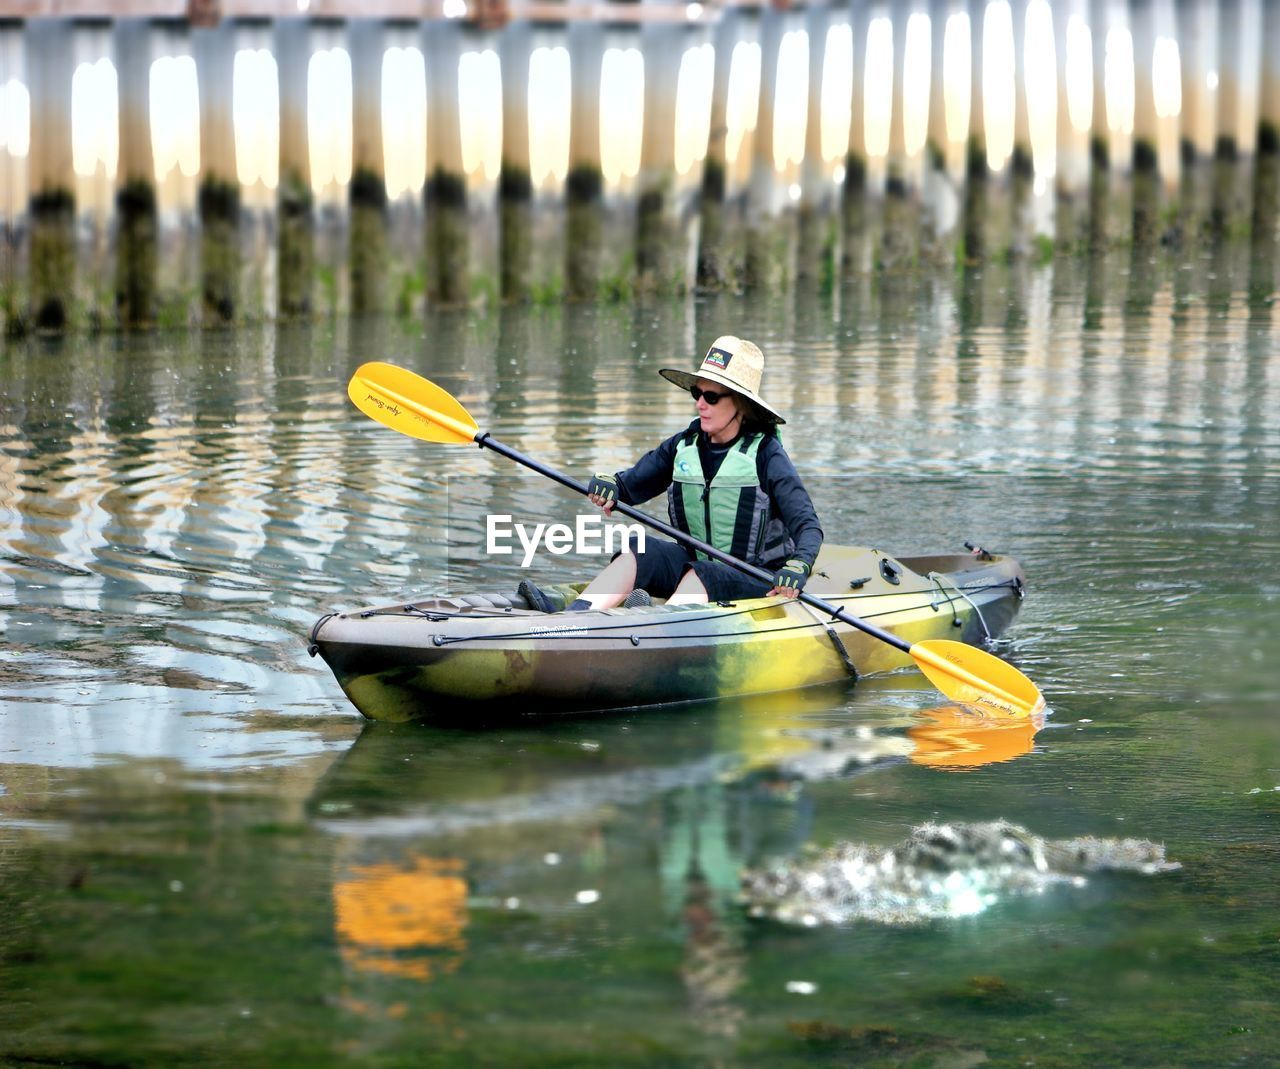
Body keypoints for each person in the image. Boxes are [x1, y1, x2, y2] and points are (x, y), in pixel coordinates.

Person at [519, 335, 823, 612]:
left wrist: (799, 564)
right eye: (697, 392)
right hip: (698, 567)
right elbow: (628, 486)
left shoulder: (767, 455)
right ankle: (575, 616)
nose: (699, 403)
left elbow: (808, 526)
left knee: (705, 573)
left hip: (759, 577)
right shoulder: (683, 445)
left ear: (741, 405)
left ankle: (652, 625)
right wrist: (609, 484)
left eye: (711, 397)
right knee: (641, 549)